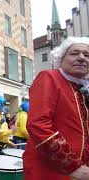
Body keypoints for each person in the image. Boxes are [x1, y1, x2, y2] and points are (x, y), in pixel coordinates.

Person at [24, 37, 89, 180]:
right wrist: (72, 166)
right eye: (74, 53)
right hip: (50, 173)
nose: (81, 58)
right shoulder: (49, 77)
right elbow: (38, 124)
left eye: (87, 54)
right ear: (61, 58)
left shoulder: (83, 88)